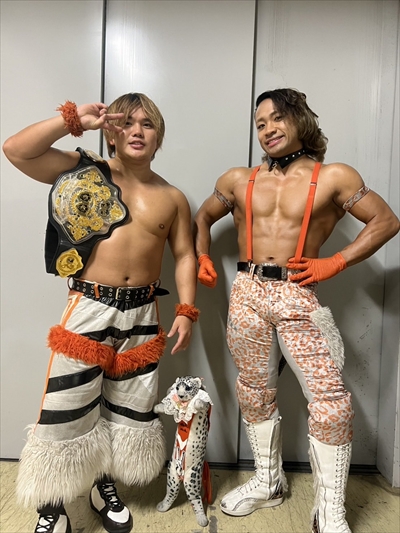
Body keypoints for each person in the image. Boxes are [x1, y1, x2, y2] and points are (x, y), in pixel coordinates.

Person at [193, 88, 399, 533]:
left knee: (331, 403)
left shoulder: (335, 176)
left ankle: (329, 511)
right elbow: (202, 218)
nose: (267, 129)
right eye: (260, 123)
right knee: (253, 392)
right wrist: (203, 256)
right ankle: (268, 483)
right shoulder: (237, 179)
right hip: (246, 293)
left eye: (276, 118)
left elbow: (386, 221)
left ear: (299, 119)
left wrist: (336, 261)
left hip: (296, 292)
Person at [3, 93, 199, 533]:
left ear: (159, 136)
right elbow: (16, 150)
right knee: (66, 405)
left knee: (126, 409)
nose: (137, 131)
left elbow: (185, 254)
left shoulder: (172, 197)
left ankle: (102, 484)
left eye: (147, 124)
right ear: (111, 133)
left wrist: (186, 309)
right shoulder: (84, 170)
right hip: (89, 306)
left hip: (143, 313)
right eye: (126, 123)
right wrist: (73, 120)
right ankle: (51, 504)